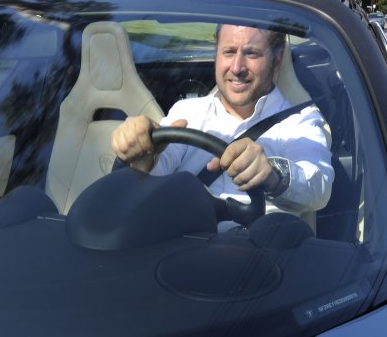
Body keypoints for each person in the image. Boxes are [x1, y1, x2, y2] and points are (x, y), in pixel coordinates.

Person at [110, 24, 333, 217]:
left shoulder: (300, 121)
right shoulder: (187, 111)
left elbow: (318, 188)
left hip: (261, 248)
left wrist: (273, 175)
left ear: (277, 60)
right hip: (183, 243)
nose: (237, 68)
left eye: (251, 53)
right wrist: (142, 153)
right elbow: (159, 169)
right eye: (228, 52)